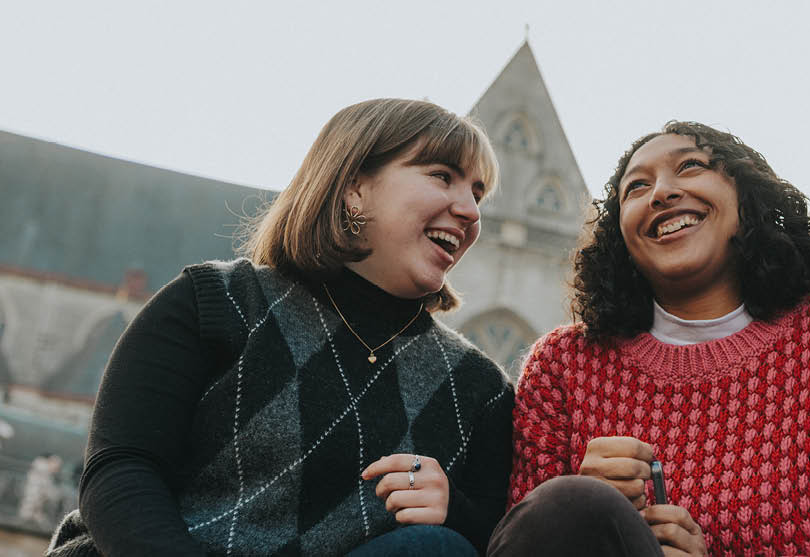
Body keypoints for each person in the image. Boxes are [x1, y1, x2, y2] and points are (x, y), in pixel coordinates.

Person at [488, 122, 810, 556]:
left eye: (691, 166)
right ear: (619, 234)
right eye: (636, 187)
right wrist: (582, 514)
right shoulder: (563, 366)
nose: (662, 192)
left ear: (748, 198)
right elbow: (517, 541)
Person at [49, 98, 514, 556]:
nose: (471, 212)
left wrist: (456, 512)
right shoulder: (218, 301)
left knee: (436, 548)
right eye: (442, 176)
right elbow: (121, 472)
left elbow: (501, 540)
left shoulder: (481, 391)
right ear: (355, 187)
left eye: (477, 194)